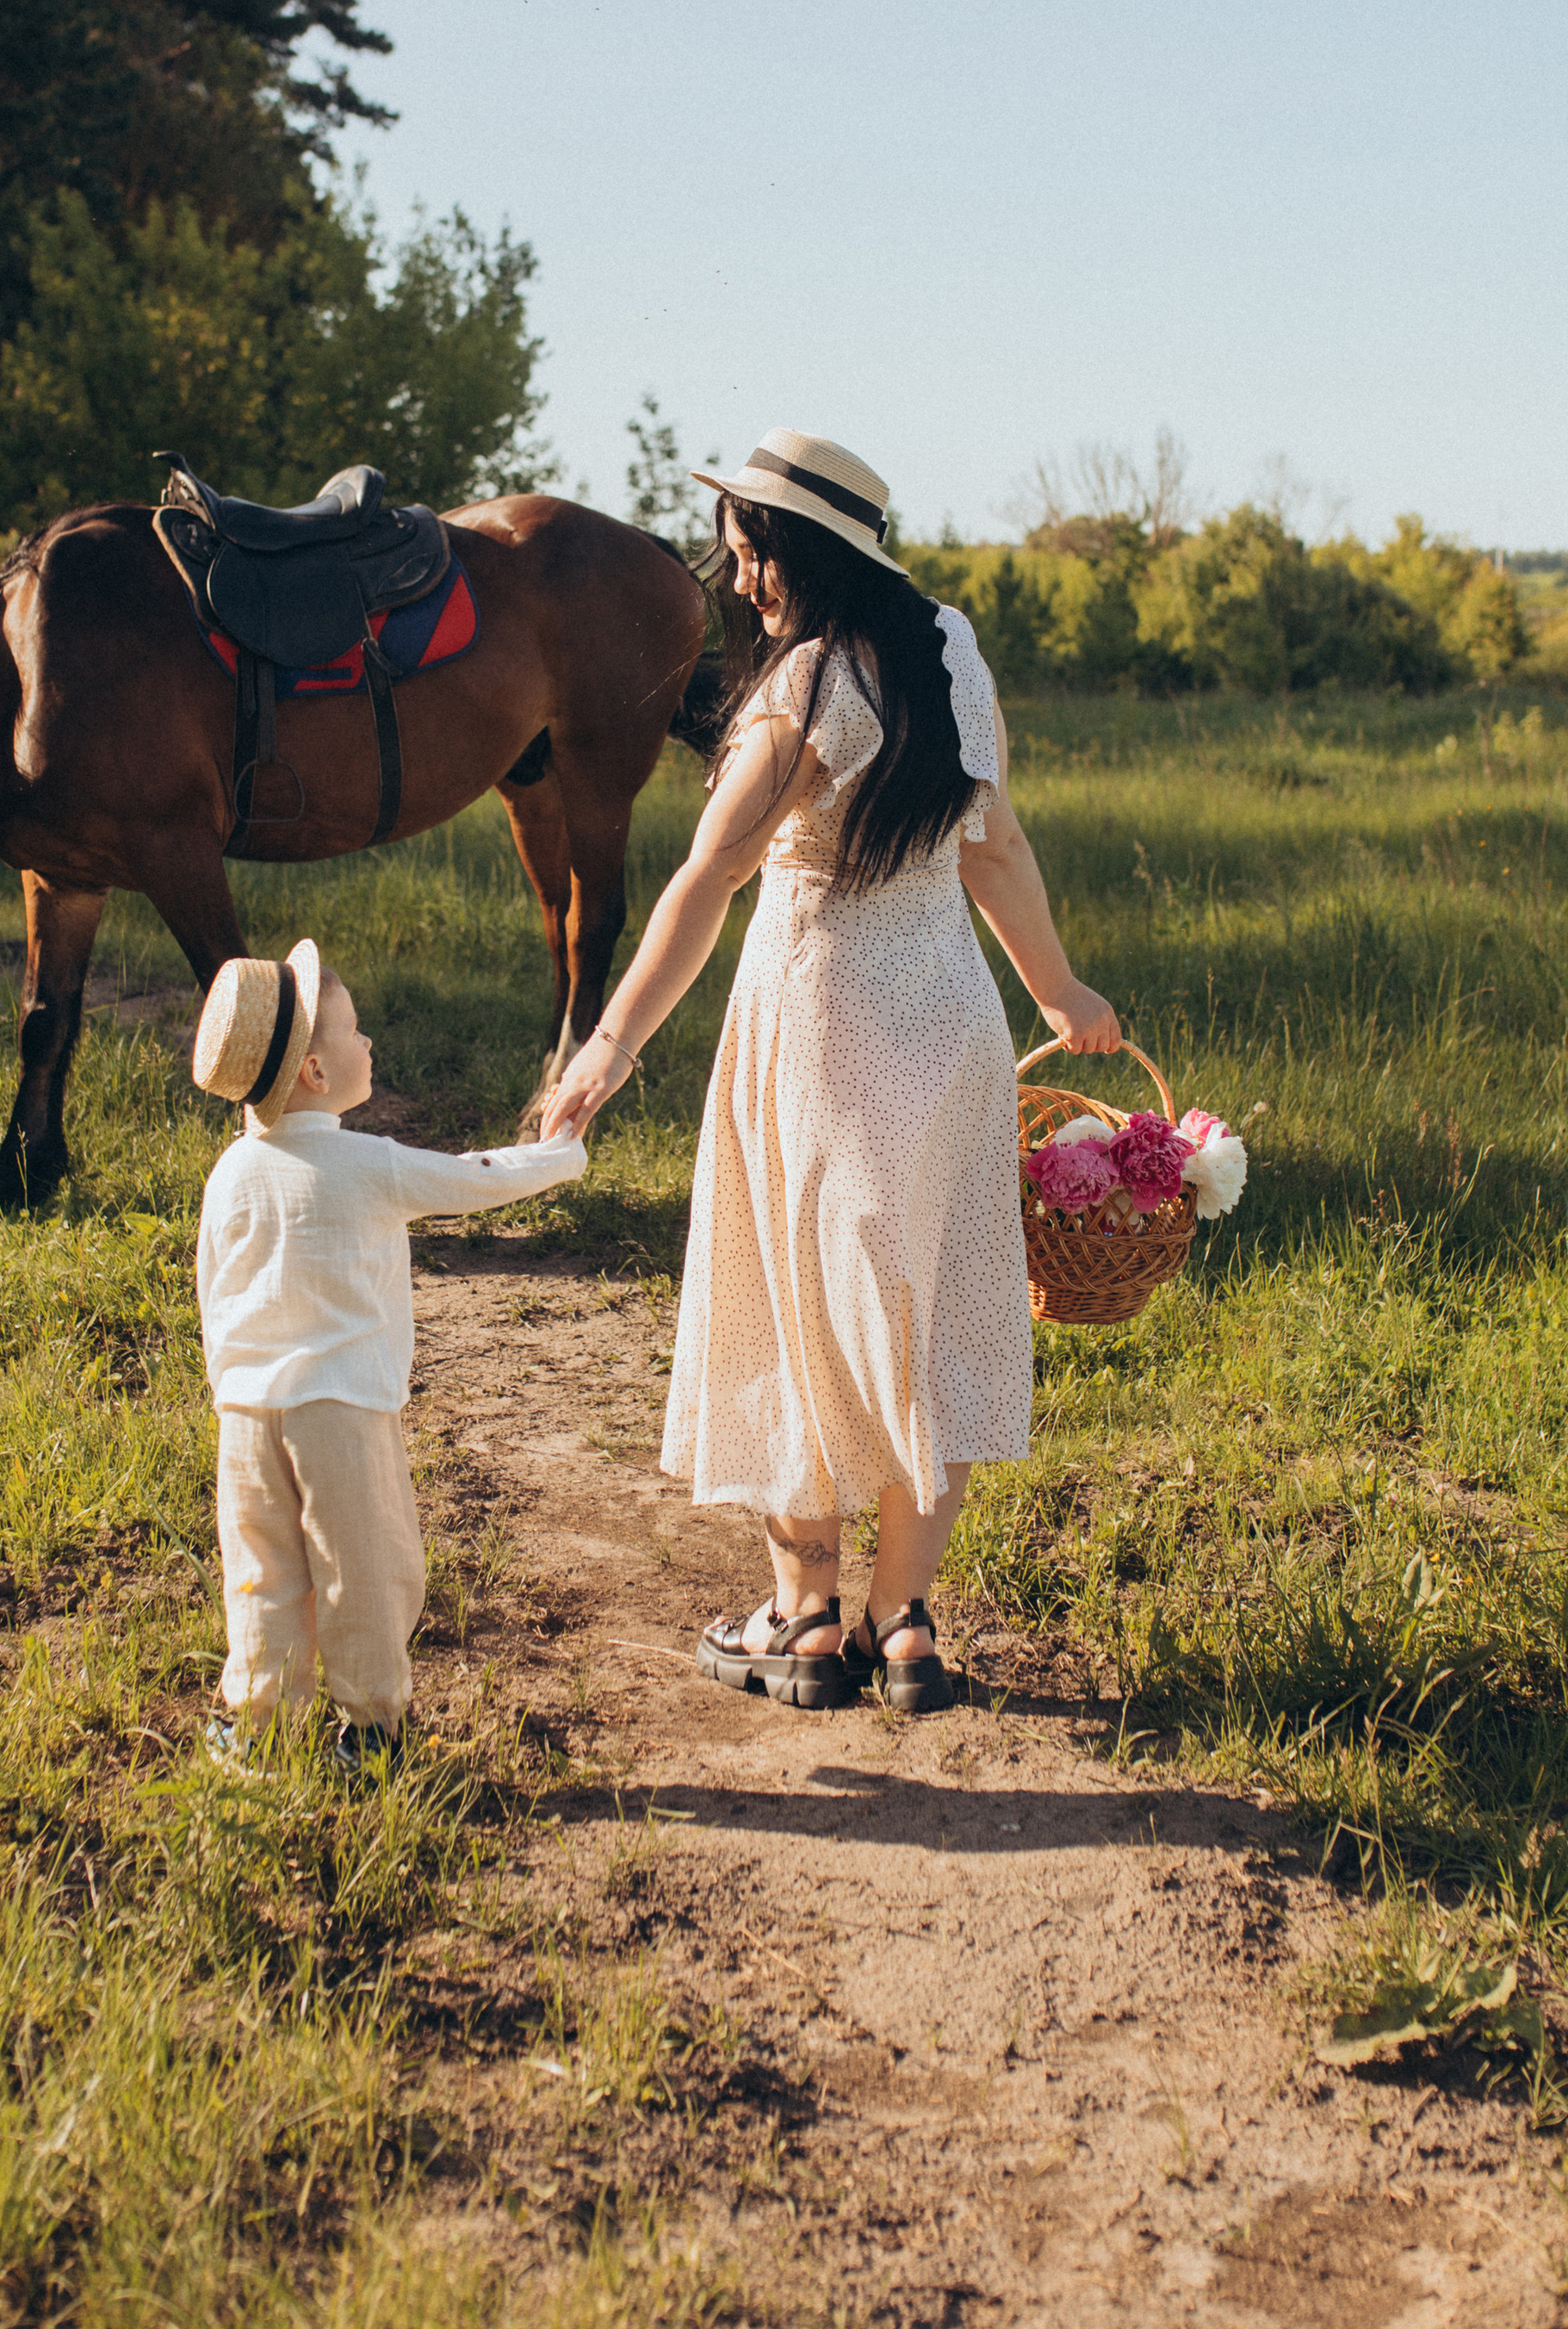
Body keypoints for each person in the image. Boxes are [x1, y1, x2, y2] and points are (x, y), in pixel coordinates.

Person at [540, 426, 1119, 1714]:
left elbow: (707, 880)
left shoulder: (800, 691)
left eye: (748, 554)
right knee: (926, 1302)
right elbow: (997, 843)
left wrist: (611, 1044)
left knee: (788, 1305)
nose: (740, 579)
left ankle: (806, 1619)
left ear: (797, 555)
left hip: (818, 1027)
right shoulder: (950, 655)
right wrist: (1059, 991)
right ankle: (905, 1626)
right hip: (951, 1019)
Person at [195, 937, 587, 1761]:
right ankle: (372, 1725)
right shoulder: (365, 1164)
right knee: (363, 1568)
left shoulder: (230, 1171)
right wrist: (556, 1152)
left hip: (246, 1415)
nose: (368, 1042)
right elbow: (474, 1179)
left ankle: (255, 1723)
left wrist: (232, 1384)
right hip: (340, 1409)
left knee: (263, 1571)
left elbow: (214, 1290)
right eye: (354, 1030)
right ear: (315, 1074)